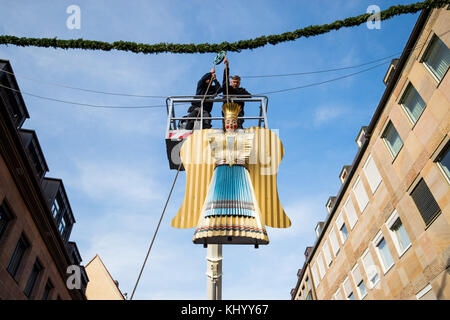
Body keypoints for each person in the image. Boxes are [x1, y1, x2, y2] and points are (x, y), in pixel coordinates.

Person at [222, 57, 251, 128]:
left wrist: (238, 97)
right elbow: (225, 79)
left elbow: (249, 96)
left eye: (237, 82)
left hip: (238, 113)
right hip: (227, 112)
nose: (235, 84)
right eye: (234, 82)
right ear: (231, 82)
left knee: (239, 127)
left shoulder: (242, 90)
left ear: (239, 83)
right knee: (226, 128)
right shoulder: (228, 89)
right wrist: (227, 67)